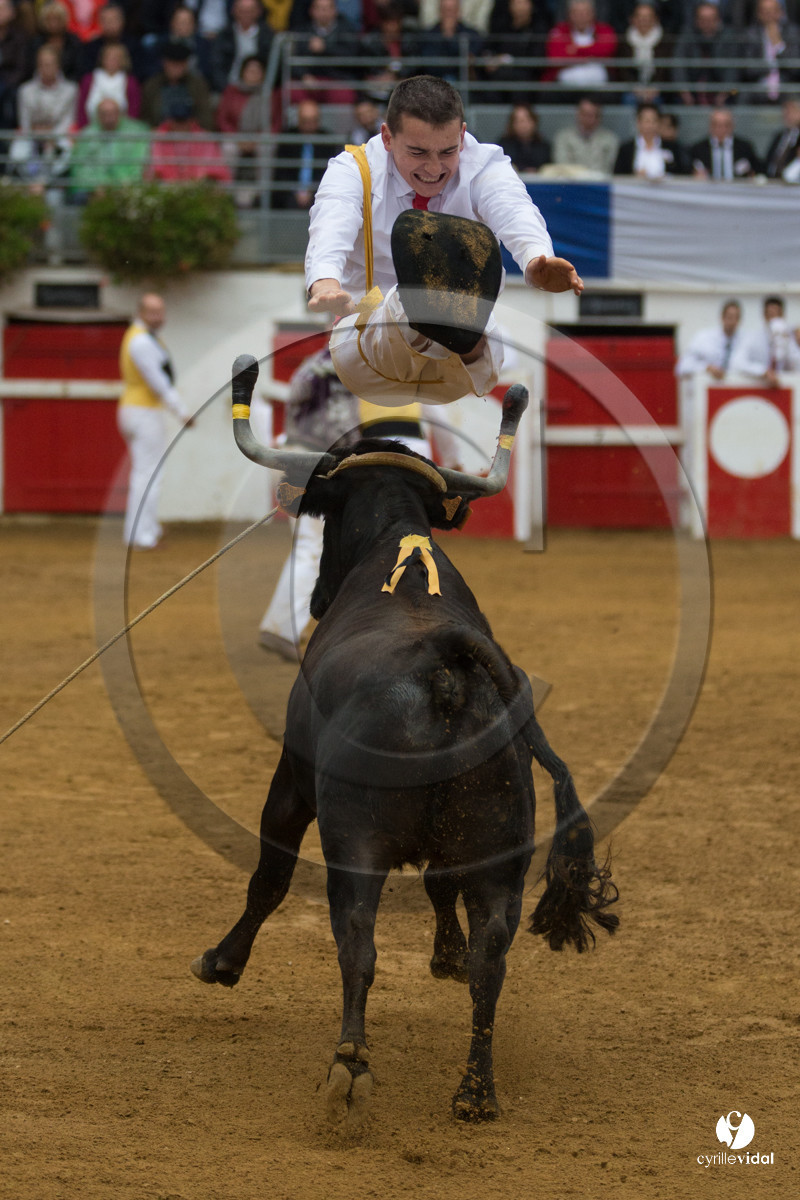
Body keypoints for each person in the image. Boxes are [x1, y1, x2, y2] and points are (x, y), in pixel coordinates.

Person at [307, 75, 582, 410]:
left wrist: (536, 259)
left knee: (473, 314)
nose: (434, 168)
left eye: (448, 151)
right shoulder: (353, 169)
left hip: (454, 367)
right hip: (367, 347)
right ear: (387, 137)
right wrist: (325, 282)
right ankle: (442, 319)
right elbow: (332, 221)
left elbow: (514, 209)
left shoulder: (483, 165)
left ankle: (461, 332)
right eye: (418, 152)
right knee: (410, 297)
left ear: (462, 136)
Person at [118, 294, 194, 551]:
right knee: (148, 475)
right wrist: (181, 411)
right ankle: (142, 535)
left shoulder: (140, 336)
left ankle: (145, 529)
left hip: (137, 410)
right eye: (152, 312)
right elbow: (158, 382)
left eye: (160, 311)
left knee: (145, 473)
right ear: (140, 312)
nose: (158, 317)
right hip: (144, 412)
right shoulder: (142, 341)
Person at [9, 43, 76, 183]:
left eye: (50, 64)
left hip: (57, 136)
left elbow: (67, 121)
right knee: (17, 152)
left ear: (58, 65)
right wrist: (36, 134)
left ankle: (49, 184)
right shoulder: (25, 90)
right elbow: (24, 121)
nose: (46, 68)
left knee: (66, 150)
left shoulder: (71, 90)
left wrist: (51, 136)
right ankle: (29, 185)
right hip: (32, 136)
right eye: (42, 64)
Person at [69, 95, 150, 200]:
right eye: (104, 114)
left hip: (126, 187)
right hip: (93, 189)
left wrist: (122, 186)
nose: (109, 118)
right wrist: (95, 187)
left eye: (113, 113)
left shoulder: (135, 132)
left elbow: (139, 166)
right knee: (79, 197)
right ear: (97, 115)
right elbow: (79, 168)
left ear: (120, 114)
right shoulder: (87, 134)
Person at [149, 95, 233, 182]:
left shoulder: (204, 138)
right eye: (177, 120)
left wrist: (198, 181)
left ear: (191, 120)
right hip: (167, 186)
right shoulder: (159, 137)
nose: (180, 125)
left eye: (183, 120)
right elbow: (154, 173)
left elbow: (216, 172)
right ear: (169, 120)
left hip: (197, 187)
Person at [672, 2, 740, 106]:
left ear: (718, 20)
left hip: (724, 91)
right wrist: (684, 91)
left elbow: (733, 70)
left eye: (711, 19)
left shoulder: (728, 38)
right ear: (696, 20)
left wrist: (725, 93)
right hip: (692, 90)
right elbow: (678, 65)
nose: (707, 23)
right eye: (703, 19)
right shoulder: (687, 36)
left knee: (735, 92)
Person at [543, 0, 618, 91]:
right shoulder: (559, 31)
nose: (581, 17)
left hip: (599, 89)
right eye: (576, 13)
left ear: (593, 13)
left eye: (585, 12)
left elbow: (606, 50)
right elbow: (555, 57)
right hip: (563, 89)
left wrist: (575, 51)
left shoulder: (605, 30)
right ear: (569, 14)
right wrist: (591, 56)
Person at [271, 96, 332, 209]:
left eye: (312, 121)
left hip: (319, 192)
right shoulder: (287, 139)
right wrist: (296, 191)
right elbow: (282, 172)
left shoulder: (328, 141)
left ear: (318, 120)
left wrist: (312, 190)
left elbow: (328, 173)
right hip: (290, 194)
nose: (309, 125)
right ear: (298, 120)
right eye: (305, 121)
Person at [140, 38, 214, 129]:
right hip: (159, 133)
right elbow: (144, 118)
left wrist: (188, 125)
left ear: (186, 64)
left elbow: (206, 118)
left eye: (180, 64)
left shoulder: (198, 85)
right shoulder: (152, 85)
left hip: (192, 134)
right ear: (164, 63)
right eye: (172, 64)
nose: (176, 68)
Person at [730, 295, 800, 384]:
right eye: (770, 315)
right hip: (759, 386)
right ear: (764, 315)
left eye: (777, 315)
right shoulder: (753, 337)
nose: (774, 319)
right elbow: (737, 362)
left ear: (783, 316)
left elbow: (797, 367)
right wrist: (762, 371)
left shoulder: (789, 337)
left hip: (784, 386)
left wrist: (788, 344)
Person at [616, 1, 674, 107]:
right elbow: (623, 70)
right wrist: (635, 88)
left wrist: (655, 88)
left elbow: (665, 69)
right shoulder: (624, 41)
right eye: (640, 17)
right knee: (629, 100)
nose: (644, 20)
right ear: (632, 19)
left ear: (656, 19)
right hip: (632, 89)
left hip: (658, 90)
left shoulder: (666, 41)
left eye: (648, 17)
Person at [741, 0, 800, 103]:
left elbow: (795, 68)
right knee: (740, 95)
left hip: (786, 86)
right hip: (759, 87)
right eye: (765, 11)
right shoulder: (751, 35)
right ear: (758, 14)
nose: (769, 15)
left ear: (780, 12)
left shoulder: (792, 32)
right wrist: (772, 66)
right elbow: (749, 70)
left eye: (773, 11)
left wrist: (779, 46)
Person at [210, 0, 274, 93]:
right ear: (234, 11)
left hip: (261, 89)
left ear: (258, 11)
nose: (246, 15)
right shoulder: (224, 36)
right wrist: (226, 89)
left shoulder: (268, 36)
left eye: (250, 11)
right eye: (242, 11)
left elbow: (273, 66)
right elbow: (217, 65)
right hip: (229, 88)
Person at [75, 40, 141, 128]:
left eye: (116, 58)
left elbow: (134, 110)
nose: (112, 61)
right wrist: (84, 129)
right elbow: (81, 108)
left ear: (123, 60)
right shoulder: (88, 79)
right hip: (92, 128)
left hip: (123, 129)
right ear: (102, 59)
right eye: (109, 57)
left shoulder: (130, 82)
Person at [614, 101, 689, 177]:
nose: (650, 126)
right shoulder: (626, 150)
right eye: (647, 121)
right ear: (638, 122)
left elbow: (682, 173)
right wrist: (635, 176)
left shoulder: (672, 147)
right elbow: (618, 175)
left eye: (654, 121)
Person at [675, 298, 743, 379]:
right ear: (722, 317)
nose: (733, 322)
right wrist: (706, 368)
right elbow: (683, 366)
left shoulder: (745, 341)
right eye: (730, 317)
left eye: (736, 318)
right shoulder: (704, 338)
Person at [552, 93, 619, 174]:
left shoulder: (610, 139)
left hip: (599, 180)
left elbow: (608, 168)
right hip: (570, 180)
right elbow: (562, 166)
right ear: (578, 114)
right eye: (586, 114)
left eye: (595, 115)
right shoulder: (563, 137)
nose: (590, 119)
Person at [689, 106, 762, 177]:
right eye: (716, 125)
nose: (721, 129)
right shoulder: (698, 149)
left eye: (726, 125)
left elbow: (757, 171)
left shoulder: (745, 148)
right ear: (710, 126)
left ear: (732, 126)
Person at [0, 0, 34, 130]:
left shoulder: (19, 37)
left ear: (12, 12)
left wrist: (6, 84)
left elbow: (22, 68)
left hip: (11, 84)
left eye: (2, 9)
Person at [500, 102, 551, 172]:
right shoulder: (503, 146)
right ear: (512, 124)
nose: (523, 125)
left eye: (527, 120)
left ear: (534, 122)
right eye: (518, 121)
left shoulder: (543, 145)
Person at [764, 92, 800, 176]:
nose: (786, 114)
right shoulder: (779, 136)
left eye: (790, 111)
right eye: (785, 111)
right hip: (771, 180)